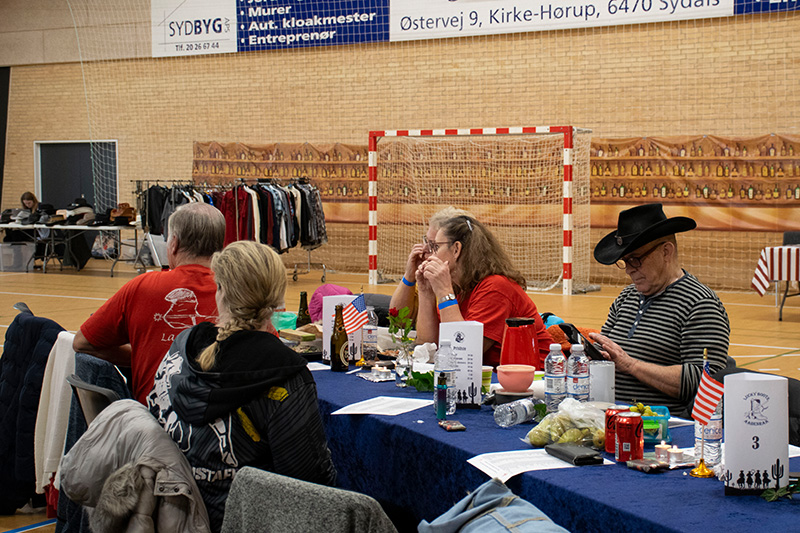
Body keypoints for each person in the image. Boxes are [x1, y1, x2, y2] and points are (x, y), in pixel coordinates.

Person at [147, 241, 337, 532]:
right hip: (243, 521)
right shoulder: (285, 375)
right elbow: (310, 488)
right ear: (277, 299)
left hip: (169, 512)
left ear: (220, 290)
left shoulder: (182, 346)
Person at [73, 202, 225, 404]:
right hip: (220, 417)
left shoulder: (142, 286)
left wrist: (141, 355)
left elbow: (82, 343)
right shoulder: (240, 291)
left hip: (152, 417)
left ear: (174, 243)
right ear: (221, 245)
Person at [589, 203, 730, 418]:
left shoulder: (701, 304)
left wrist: (630, 364)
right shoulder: (626, 297)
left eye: (636, 259)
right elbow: (607, 351)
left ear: (666, 251)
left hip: (661, 426)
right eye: (625, 262)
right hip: (609, 417)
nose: (629, 270)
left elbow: (706, 382)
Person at [413, 214, 553, 367]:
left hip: (541, 376)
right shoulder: (459, 288)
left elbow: (463, 353)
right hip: (498, 375)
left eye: (436, 247)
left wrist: (444, 292)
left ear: (456, 249)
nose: (430, 255)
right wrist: (426, 292)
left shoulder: (495, 288)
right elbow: (428, 348)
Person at [390, 206, 474, 322]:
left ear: (456, 249)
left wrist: (444, 292)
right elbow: (398, 321)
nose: (424, 249)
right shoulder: (429, 275)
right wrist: (409, 276)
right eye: (426, 241)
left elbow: (460, 333)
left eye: (434, 245)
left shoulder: (486, 287)